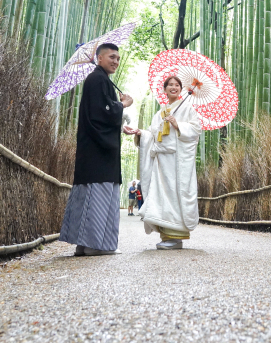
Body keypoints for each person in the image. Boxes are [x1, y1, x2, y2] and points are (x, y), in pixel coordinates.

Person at [59, 43, 133, 256]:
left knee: (89, 194)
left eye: (118, 58)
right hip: (99, 152)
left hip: (92, 150)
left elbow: (99, 113)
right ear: (99, 58)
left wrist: (119, 118)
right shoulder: (98, 79)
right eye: (112, 57)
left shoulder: (99, 80)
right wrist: (123, 105)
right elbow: (103, 112)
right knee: (99, 194)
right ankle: (96, 245)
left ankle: (84, 244)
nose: (116, 62)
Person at [124, 75, 201, 250]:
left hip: (176, 161)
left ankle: (176, 236)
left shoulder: (188, 108)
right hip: (161, 162)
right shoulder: (160, 112)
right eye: (170, 85)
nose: (173, 87)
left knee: (174, 194)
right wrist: (139, 133)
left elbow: (196, 130)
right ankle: (166, 234)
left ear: (181, 89)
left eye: (177, 85)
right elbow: (152, 134)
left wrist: (178, 124)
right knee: (160, 196)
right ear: (165, 89)